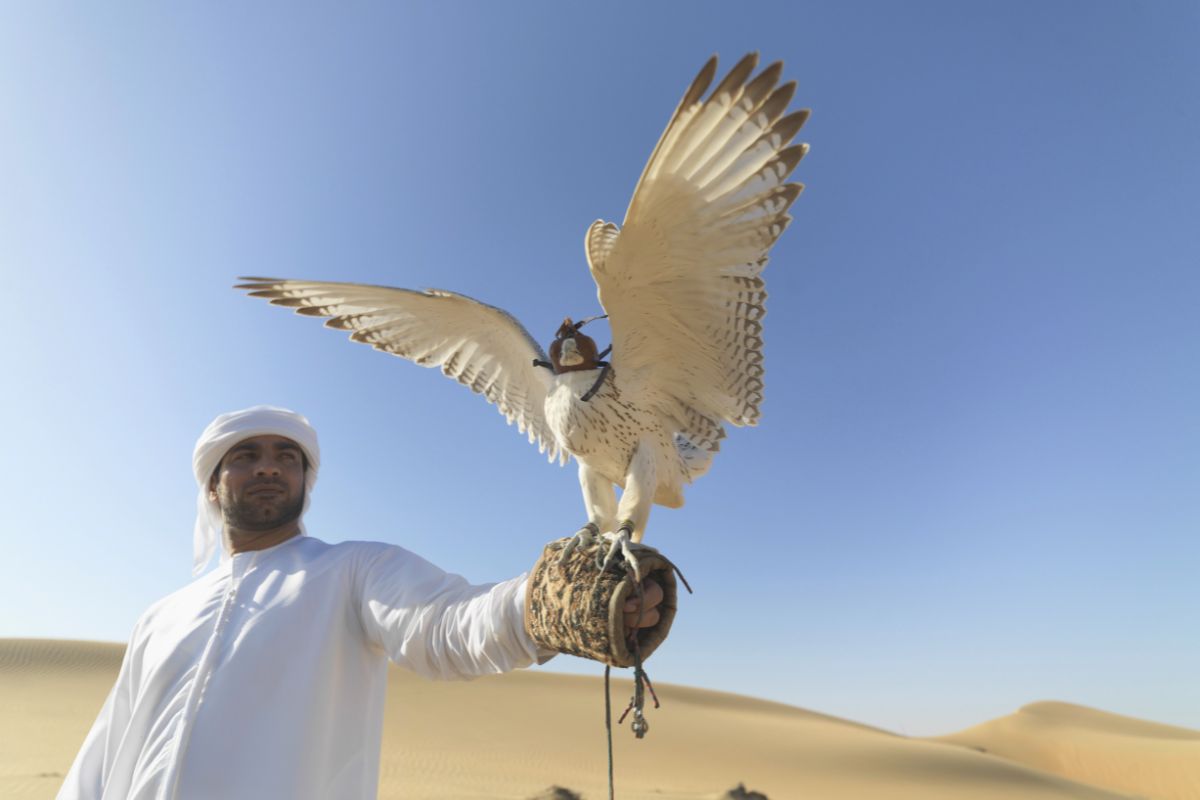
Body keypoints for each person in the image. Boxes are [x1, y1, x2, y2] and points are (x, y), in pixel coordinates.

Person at [59, 405, 664, 799]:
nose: (269, 468)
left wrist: (545, 607)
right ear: (214, 485)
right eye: (245, 456)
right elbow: (103, 757)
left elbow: (446, 625)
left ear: (305, 481)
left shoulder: (353, 571)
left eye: (287, 458)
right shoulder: (160, 617)